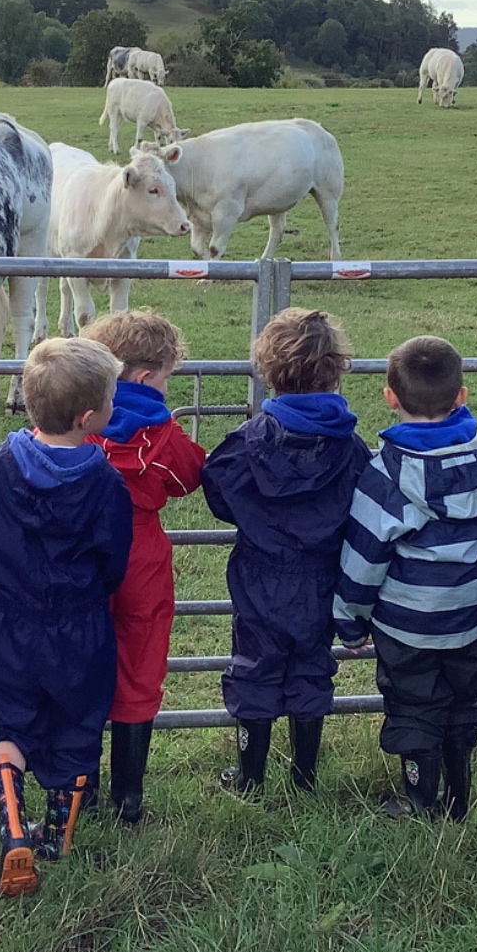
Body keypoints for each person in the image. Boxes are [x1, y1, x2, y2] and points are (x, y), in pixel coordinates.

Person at [0, 337, 132, 898]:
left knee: (2, 721)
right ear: (88, 418)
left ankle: (13, 825)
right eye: (111, 398)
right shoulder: (106, 483)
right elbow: (114, 560)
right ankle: (57, 837)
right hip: (79, 625)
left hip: (5, 620)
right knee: (77, 725)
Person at [335, 337, 477, 820]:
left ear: (390, 397)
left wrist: (350, 619)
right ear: (461, 396)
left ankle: (419, 801)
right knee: (463, 696)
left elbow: (365, 554)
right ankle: (458, 799)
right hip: (471, 616)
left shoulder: (385, 474)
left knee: (414, 704)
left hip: (406, 624)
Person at [201, 309, 371, 795]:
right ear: (335, 370)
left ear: (268, 372)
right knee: (311, 663)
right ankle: (304, 777)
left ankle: (249, 777)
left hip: (260, 572)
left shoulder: (249, 441)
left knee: (255, 664)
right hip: (324, 573)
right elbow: (366, 503)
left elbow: (218, 488)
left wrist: (257, 518)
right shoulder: (350, 447)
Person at [84, 308, 206, 824]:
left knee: (83, 664)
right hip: (141, 554)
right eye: (164, 378)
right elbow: (190, 476)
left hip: (83, 552)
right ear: (142, 377)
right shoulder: (163, 434)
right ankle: (128, 799)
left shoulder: (78, 417)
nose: (166, 388)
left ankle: (79, 790)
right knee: (140, 664)